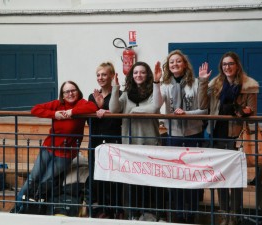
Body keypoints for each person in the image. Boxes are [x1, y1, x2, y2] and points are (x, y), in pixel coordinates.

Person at [10, 80, 98, 213]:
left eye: (73, 90)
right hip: (48, 148)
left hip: (65, 154)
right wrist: (54, 114)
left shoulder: (82, 103)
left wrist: (72, 112)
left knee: (44, 181)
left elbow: (92, 107)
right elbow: (35, 109)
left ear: (78, 92)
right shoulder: (57, 104)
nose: (70, 93)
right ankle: (16, 209)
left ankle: (30, 209)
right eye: (66, 91)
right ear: (62, 95)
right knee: (32, 178)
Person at [198, 51, 259, 225]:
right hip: (216, 135)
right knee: (220, 176)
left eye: (230, 64)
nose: (227, 67)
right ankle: (224, 213)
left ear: (237, 65)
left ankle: (236, 215)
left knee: (235, 177)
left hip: (236, 137)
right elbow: (202, 105)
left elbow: (253, 111)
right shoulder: (216, 83)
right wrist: (202, 81)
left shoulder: (248, 85)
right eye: (224, 64)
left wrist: (243, 111)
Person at [154, 49, 207, 224]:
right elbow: (156, 105)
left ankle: (191, 213)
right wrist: (156, 82)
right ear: (168, 67)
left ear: (184, 64)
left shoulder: (196, 83)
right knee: (176, 174)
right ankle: (177, 213)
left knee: (192, 175)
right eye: (171, 62)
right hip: (173, 135)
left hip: (194, 134)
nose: (175, 64)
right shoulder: (165, 85)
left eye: (178, 61)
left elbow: (204, 110)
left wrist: (187, 113)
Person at [109, 61, 164, 221]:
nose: (138, 75)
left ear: (147, 75)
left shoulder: (154, 90)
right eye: (135, 72)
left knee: (151, 182)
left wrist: (134, 110)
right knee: (133, 182)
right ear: (131, 76)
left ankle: (153, 213)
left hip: (150, 143)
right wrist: (115, 88)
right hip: (130, 144)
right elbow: (113, 109)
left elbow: (155, 107)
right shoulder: (126, 94)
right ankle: (134, 213)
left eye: (142, 72)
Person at [86, 62, 123, 218]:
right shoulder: (91, 96)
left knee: (114, 177)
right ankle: (100, 209)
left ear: (112, 76)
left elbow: (118, 120)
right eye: (98, 75)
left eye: (104, 74)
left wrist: (106, 111)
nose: (100, 78)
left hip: (113, 140)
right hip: (95, 141)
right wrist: (96, 109)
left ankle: (116, 209)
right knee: (97, 176)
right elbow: (90, 121)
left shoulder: (120, 94)